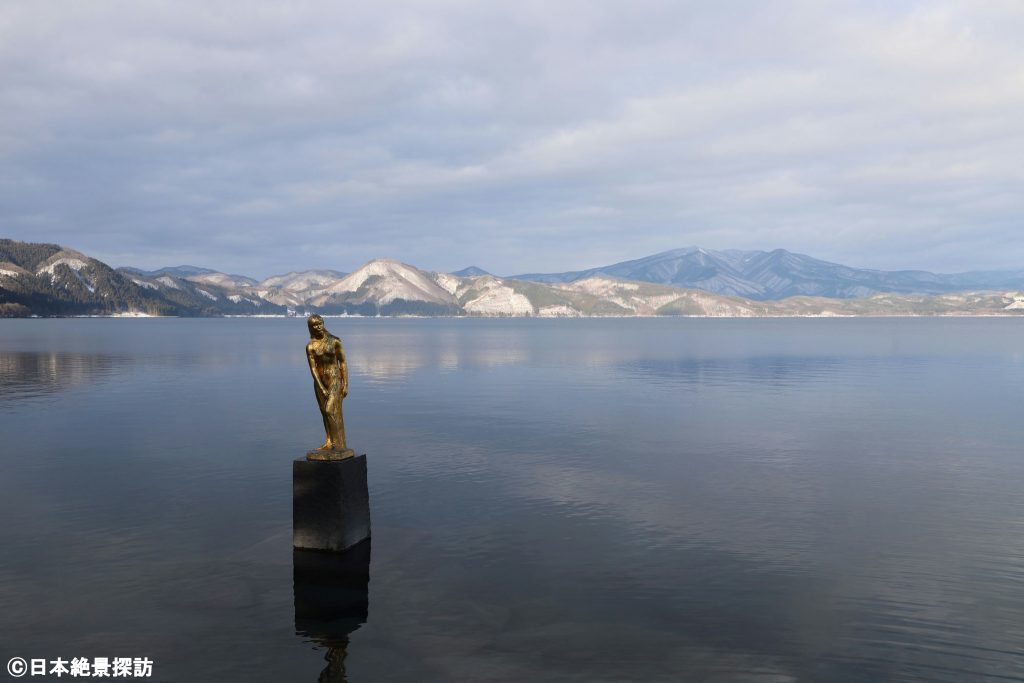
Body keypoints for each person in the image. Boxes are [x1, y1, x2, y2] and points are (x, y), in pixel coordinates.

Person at [306, 314, 351, 456]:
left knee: (329, 410)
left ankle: (339, 443)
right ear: (310, 328)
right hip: (320, 382)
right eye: (314, 325)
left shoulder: (335, 341)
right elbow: (313, 369)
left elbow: (342, 363)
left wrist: (345, 384)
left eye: (320, 323)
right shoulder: (310, 346)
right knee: (323, 412)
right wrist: (320, 386)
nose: (318, 327)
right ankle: (329, 441)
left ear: (323, 324)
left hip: (334, 379)